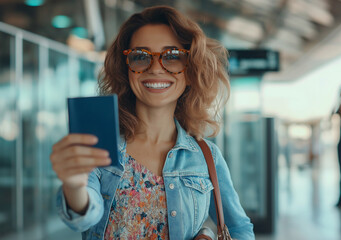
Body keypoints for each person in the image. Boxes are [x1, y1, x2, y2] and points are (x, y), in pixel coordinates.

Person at [50, 6, 254, 240]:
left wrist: (206, 233)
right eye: (140, 56)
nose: (156, 68)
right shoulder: (101, 146)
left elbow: (240, 230)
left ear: (190, 70)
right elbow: (84, 218)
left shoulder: (207, 157)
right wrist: (74, 186)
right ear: (126, 69)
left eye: (173, 56)